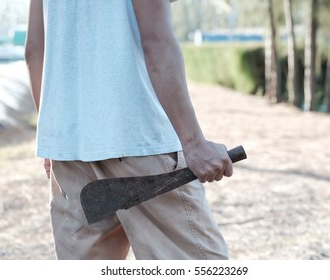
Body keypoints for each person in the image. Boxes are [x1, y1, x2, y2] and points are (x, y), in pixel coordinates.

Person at [25, 0, 233, 260]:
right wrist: (193, 143)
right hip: (141, 142)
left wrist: (53, 138)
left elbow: (34, 50)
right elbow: (156, 41)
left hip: (70, 153)